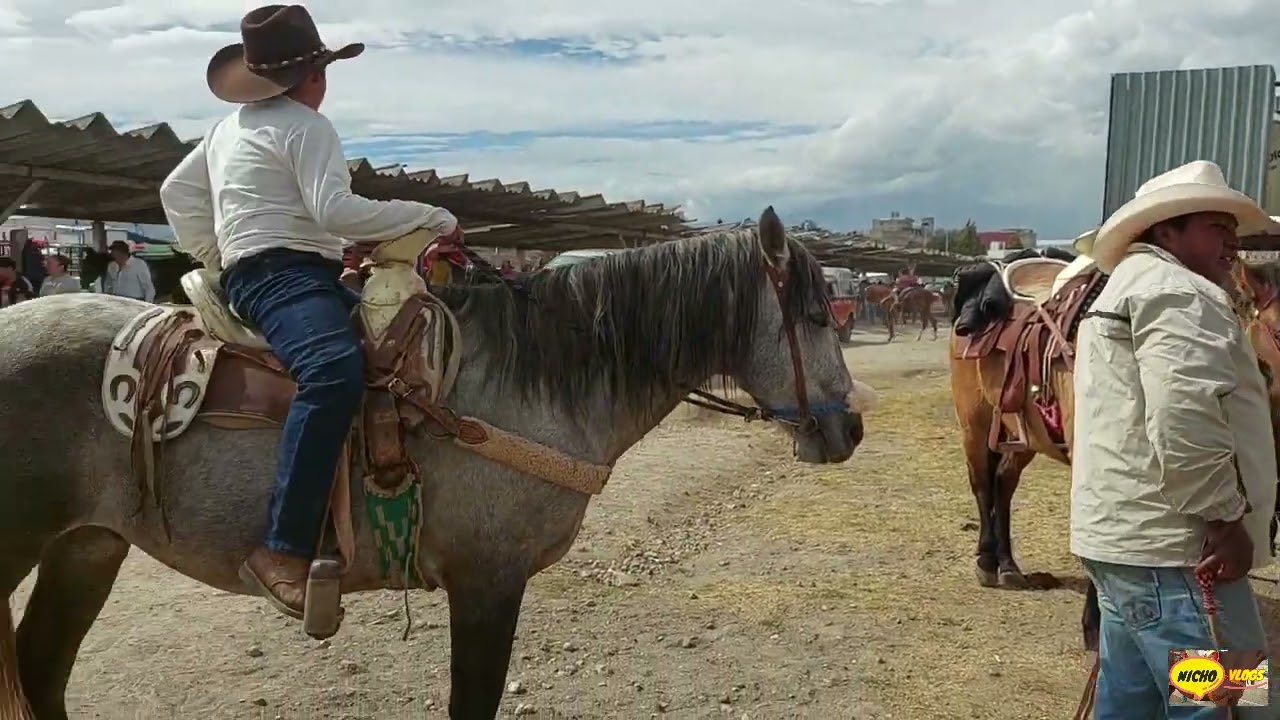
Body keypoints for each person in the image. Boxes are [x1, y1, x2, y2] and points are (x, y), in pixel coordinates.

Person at [159, 4, 461, 620]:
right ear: (316, 75)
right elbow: (334, 212)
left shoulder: (228, 130)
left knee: (396, 343)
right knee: (332, 372)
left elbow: (177, 193)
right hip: (286, 277)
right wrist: (424, 215)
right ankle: (282, 548)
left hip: (274, 273)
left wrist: (217, 252)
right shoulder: (307, 126)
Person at [1071, 160, 1276, 718]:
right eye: (1218, 229)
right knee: (1216, 705)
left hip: (1129, 546)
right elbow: (1184, 418)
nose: (1232, 245)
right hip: (1182, 554)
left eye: (1234, 233)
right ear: (1168, 230)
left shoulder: (1128, 287)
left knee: (1131, 699)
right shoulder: (1181, 294)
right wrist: (1225, 521)